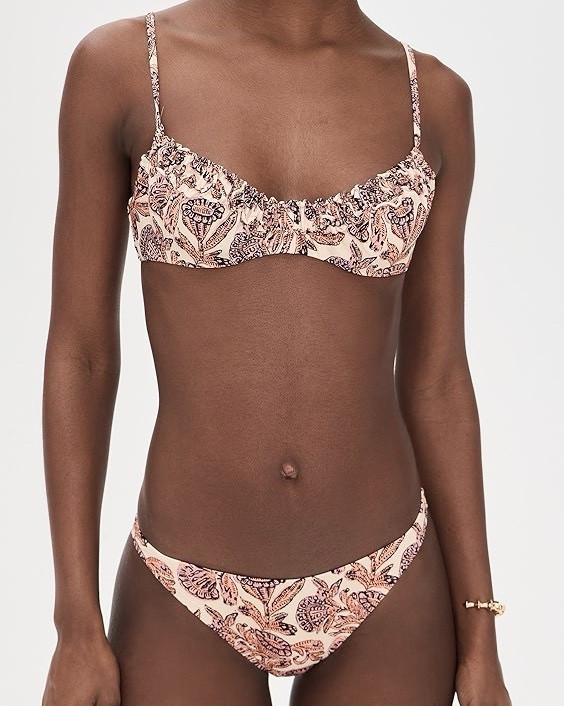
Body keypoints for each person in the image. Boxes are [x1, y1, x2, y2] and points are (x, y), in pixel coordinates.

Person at [42, 1, 511, 704]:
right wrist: (75, 623)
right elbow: (81, 354)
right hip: (183, 586)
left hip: (388, 580)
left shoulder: (434, 99)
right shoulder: (126, 68)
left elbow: (437, 379)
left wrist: (481, 634)